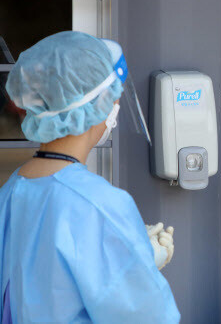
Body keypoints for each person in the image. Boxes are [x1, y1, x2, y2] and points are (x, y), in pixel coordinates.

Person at [0, 32, 180, 323]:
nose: (116, 104)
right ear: (94, 106)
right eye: (114, 96)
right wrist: (141, 264)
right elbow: (146, 315)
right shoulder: (99, 205)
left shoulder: (11, 191)